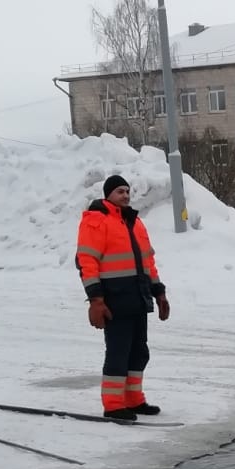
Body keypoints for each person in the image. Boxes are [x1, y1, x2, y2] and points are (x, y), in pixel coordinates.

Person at [75, 174, 170, 422]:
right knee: (118, 353)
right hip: (114, 299)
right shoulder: (96, 221)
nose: (125, 195)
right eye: (119, 191)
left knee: (139, 353)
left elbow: (148, 261)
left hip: (138, 297)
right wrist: (96, 299)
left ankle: (134, 399)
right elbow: (87, 261)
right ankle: (114, 405)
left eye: (127, 191)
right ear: (108, 194)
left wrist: (158, 292)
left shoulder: (135, 223)